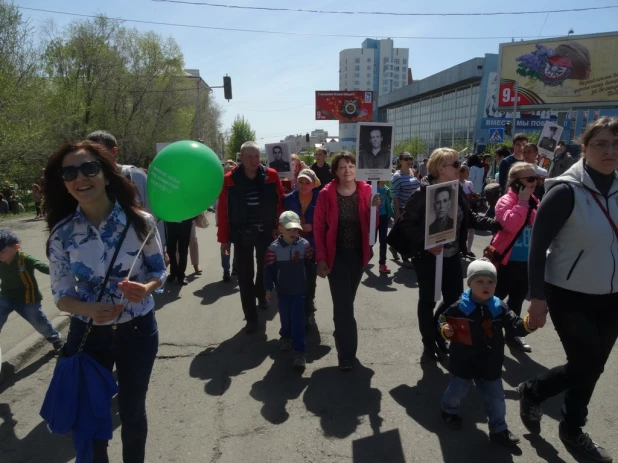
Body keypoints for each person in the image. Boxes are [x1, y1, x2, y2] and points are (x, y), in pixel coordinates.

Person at [45, 141, 166, 463]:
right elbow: (61, 296)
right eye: (69, 173)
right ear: (65, 184)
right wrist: (88, 309)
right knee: (92, 416)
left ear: (107, 175)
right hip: (88, 337)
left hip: (138, 332)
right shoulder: (61, 234)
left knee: (132, 411)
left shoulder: (141, 221)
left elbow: (159, 270)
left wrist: (147, 287)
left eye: (88, 168)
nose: (80, 177)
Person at [517, 117, 618, 463]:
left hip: (613, 294)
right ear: (584, 148)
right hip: (568, 292)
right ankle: (536, 393)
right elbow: (537, 246)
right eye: (601, 144)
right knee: (586, 362)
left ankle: (571, 424)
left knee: (594, 365)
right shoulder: (565, 191)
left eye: (615, 144)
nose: (609, 151)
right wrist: (536, 299)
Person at [399, 148, 499, 362]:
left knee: (454, 300)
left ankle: (438, 329)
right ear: (440, 168)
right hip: (427, 258)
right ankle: (429, 343)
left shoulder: (457, 189)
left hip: (453, 254)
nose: (460, 167)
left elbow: (470, 218)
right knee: (427, 300)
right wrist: (427, 244)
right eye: (455, 164)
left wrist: (498, 224)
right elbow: (407, 224)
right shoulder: (423, 193)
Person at [439, 259, 536, 446]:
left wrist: (528, 324)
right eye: (480, 281)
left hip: (491, 360)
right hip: (464, 359)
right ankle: (449, 410)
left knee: (497, 398)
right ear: (470, 283)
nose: (486, 286)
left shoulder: (499, 306)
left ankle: (499, 429)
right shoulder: (461, 306)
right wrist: (445, 329)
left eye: (491, 282)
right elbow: (443, 318)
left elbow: (514, 325)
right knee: (458, 388)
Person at [313, 152, 380, 371]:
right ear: (335, 171)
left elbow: (373, 225)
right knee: (343, 306)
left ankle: (341, 332)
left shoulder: (367, 190)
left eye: (351, 166)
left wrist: (376, 208)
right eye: (342, 167)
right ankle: (347, 354)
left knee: (346, 301)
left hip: (358, 255)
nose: (347, 170)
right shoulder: (326, 194)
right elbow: (319, 228)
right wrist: (321, 258)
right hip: (336, 255)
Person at [217, 141, 284, 334]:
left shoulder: (271, 175)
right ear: (241, 158)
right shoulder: (229, 179)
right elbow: (223, 211)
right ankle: (251, 317)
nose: (254, 161)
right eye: (250, 157)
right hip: (241, 234)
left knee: (265, 269)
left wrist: (279, 227)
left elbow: (280, 203)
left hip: (267, 233)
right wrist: (224, 240)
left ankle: (261, 293)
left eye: (257, 156)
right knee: (245, 275)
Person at [86, 130, 169, 265]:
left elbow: (153, 215)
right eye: (91, 154)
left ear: (114, 151)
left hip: (138, 257)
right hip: (100, 260)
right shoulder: (86, 182)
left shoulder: (134, 176)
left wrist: (161, 250)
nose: (96, 159)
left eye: (100, 153)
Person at [492, 162, 539, 353]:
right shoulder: (505, 201)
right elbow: (511, 225)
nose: (534, 182)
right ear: (515, 182)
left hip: (526, 262)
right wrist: (521, 203)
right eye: (529, 179)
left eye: (535, 178)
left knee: (517, 300)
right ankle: (487, 333)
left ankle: (512, 335)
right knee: (495, 300)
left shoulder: (534, 200)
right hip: (507, 261)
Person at [264, 211, 315, 371]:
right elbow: (268, 270)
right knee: (285, 317)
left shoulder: (305, 245)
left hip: (300, 291)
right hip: (283, 291)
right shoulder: (273, 249)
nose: (293, 233)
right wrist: (268, 288)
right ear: (280, 229)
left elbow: (310, 265)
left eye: (296, 229)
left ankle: (300, 352)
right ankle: (285, 336)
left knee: (298, 321)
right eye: (289, 229)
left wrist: (310, 285)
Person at [0, 230, 64, 353]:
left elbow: (40, 265)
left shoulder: (25, 259)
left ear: (16, 247)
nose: (0, 255)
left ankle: (56, 340)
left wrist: (58, 271)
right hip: (6, 297)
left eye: (2, 251)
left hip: (27, 299)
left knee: (39, 320)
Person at [284, 169, 320, 329]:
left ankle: (308, 308)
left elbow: (327, 219)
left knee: (310, 277)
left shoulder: (321, 197)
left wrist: (313, 226)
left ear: (314, 184)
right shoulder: (288, 199)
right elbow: (283, 219)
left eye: (307, 182)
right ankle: (295, 311)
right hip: (294, 244)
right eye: (300, 182)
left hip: (313, 244)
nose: (304, 186)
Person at [389, 152, 420, 266]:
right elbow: (394, 195)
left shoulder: (412, 173)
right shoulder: (397, 176)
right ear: (400, 161)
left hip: (414, 209)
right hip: (402, 209)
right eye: (406, 158)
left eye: (410, 158)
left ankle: (394, 247)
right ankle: (405, 259)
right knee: (405, 234)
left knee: (411, 234)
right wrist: (397, 212)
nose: (409, 161)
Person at [215, 161, 237, 282]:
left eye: (231, 169)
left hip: (237, 222)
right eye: (227, 170)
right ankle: (226, 270)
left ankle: (234, 268)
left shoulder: (238, 184)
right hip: (225, 223)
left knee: (238, 247)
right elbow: (218, 207)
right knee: (225, 246)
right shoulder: (220, 187)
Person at [165, 218, 193, 285]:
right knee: (170, 250)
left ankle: (181, 275)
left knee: (183, 250)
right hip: (171, 223)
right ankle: (173, 272)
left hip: (185, 224)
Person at [376, 181, 393, 274]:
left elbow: (389, 204)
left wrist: (391, 214)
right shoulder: (372, 187)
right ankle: (365, 257)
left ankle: (382, 264)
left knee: (383, 241)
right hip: (374, 217)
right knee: (371, 241)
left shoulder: (387, 189)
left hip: (384, 217)